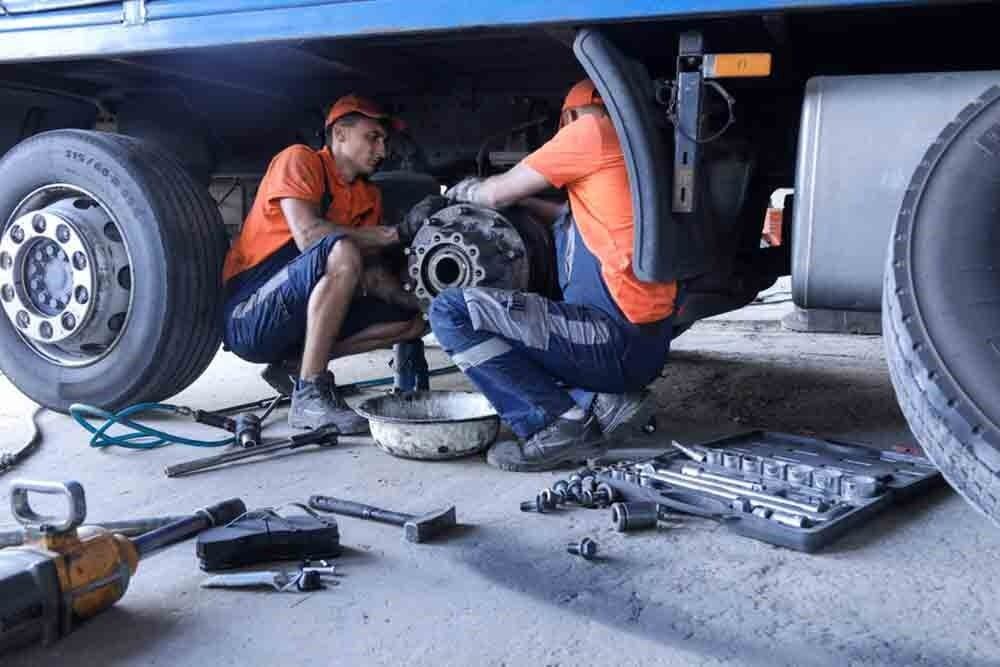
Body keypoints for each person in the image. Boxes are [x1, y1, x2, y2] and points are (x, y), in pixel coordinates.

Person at [428, 79, 678, 471]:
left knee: (450, 311)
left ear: (570, 117)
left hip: (609, 338)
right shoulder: (633, 158)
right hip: (643, 348)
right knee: (526, 329)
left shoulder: (591, 131)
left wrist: (462, 191)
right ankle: (601, 401)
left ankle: (559, 426)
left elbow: (494, 195)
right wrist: (526, 199)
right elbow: (566, 217)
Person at [221, 94, 425, 433]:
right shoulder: (299, 160)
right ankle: (311, 396)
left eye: (385, 141)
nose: (383, 151)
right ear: (340, 134)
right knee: (341, 249)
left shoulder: (368, 195)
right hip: (250, 314)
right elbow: (309, 235)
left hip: (298, 317)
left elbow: (371, 275)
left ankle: (296, 367)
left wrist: (420, 303)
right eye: (372, 138)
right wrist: (396, 233)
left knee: (411, 323)